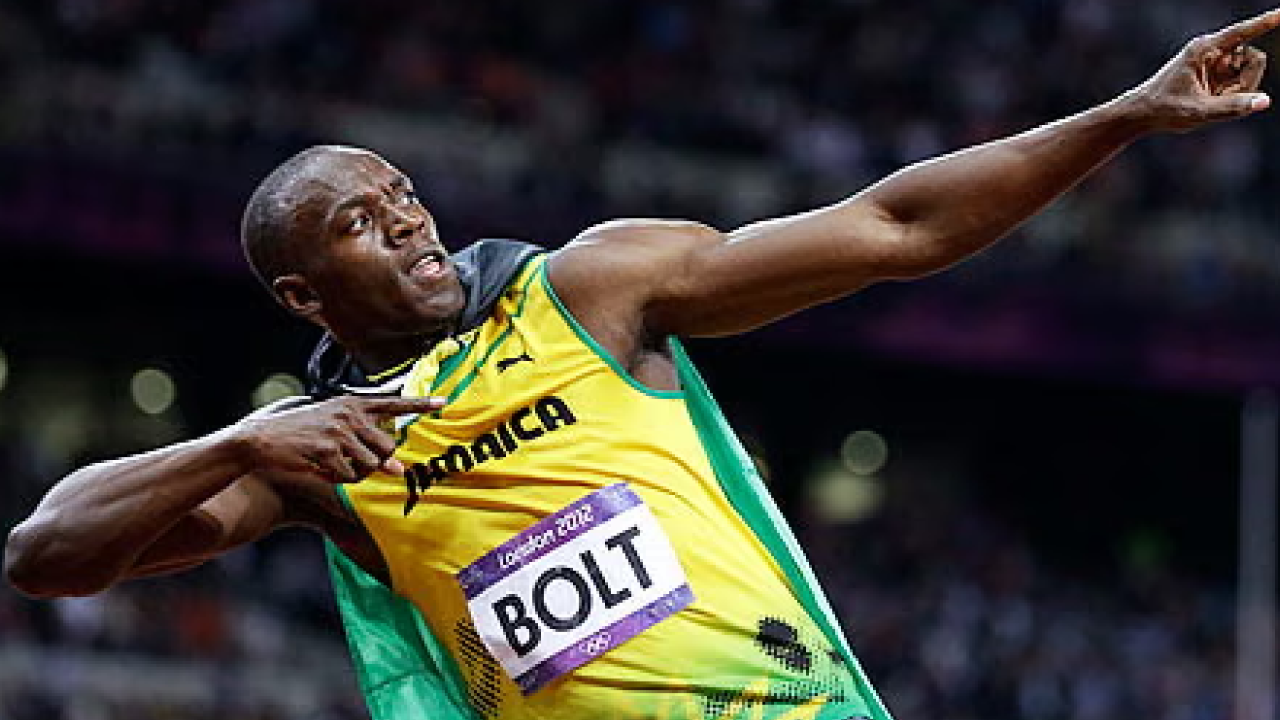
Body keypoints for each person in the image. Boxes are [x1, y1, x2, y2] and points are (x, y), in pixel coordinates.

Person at [6, 9, 1279, 720]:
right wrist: (235, 442)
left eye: (399, 192)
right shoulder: (319, 457)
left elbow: (893, 229)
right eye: (357, 221)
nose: (404, 218)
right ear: (301, 292)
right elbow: (45, 558)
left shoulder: (587, 288)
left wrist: (1120, 114)